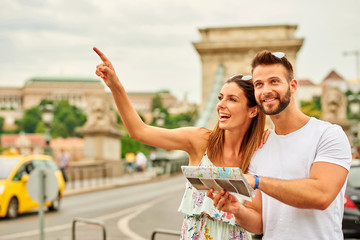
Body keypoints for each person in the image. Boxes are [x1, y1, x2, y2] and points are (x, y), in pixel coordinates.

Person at [93, 46, 267, 239]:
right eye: (220, 98)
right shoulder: (200, 141)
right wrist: (115, 86)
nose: (220, 105)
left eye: (232, 99)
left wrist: (237, 210)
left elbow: (258, 225)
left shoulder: (259, 156)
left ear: (253, 111)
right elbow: (139, 131)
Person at [208, 51, 352, 239]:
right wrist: (237, 210)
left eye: (274, 81)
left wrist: (257, 181)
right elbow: (259, 224)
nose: (266, 90)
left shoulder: (328, 135)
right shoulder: (260, 147)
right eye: (259, 84)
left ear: (292, 86)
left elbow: (321, 196)